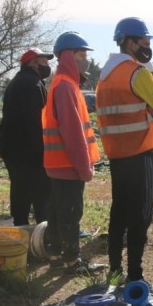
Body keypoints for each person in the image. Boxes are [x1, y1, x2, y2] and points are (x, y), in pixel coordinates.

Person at [96, 17, 153, 284]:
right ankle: (135, 275)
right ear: (130, 42)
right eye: (145, 42)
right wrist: (150, 111)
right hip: (141, 153)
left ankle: (115, 271)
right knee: (141, 216)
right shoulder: (136, 72)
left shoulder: (103, 77)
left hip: (117, 155)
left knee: (118, 214)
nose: (147, 47)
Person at [42, 32, 104, 274]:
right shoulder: (66, 87)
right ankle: (72, 261)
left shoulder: (61, 84)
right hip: (68, 166)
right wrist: (84, 166)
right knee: (70, 213)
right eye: (81, 54)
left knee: (57, 212)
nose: (85, 59)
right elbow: (73, 132)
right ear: (68, 56)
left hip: (57, 164)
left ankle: (56, 255)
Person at [0, 47, 53, 225]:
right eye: (43, 61)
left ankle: (21, 232)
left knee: (20, 193)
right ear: (32, 63)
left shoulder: (21, 81)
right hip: (27, 151)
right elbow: (35, 121)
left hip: (14, 149)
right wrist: (43, 152)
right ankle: (41, 236)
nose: (47, 65)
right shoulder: (31, 84)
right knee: (40, 194)